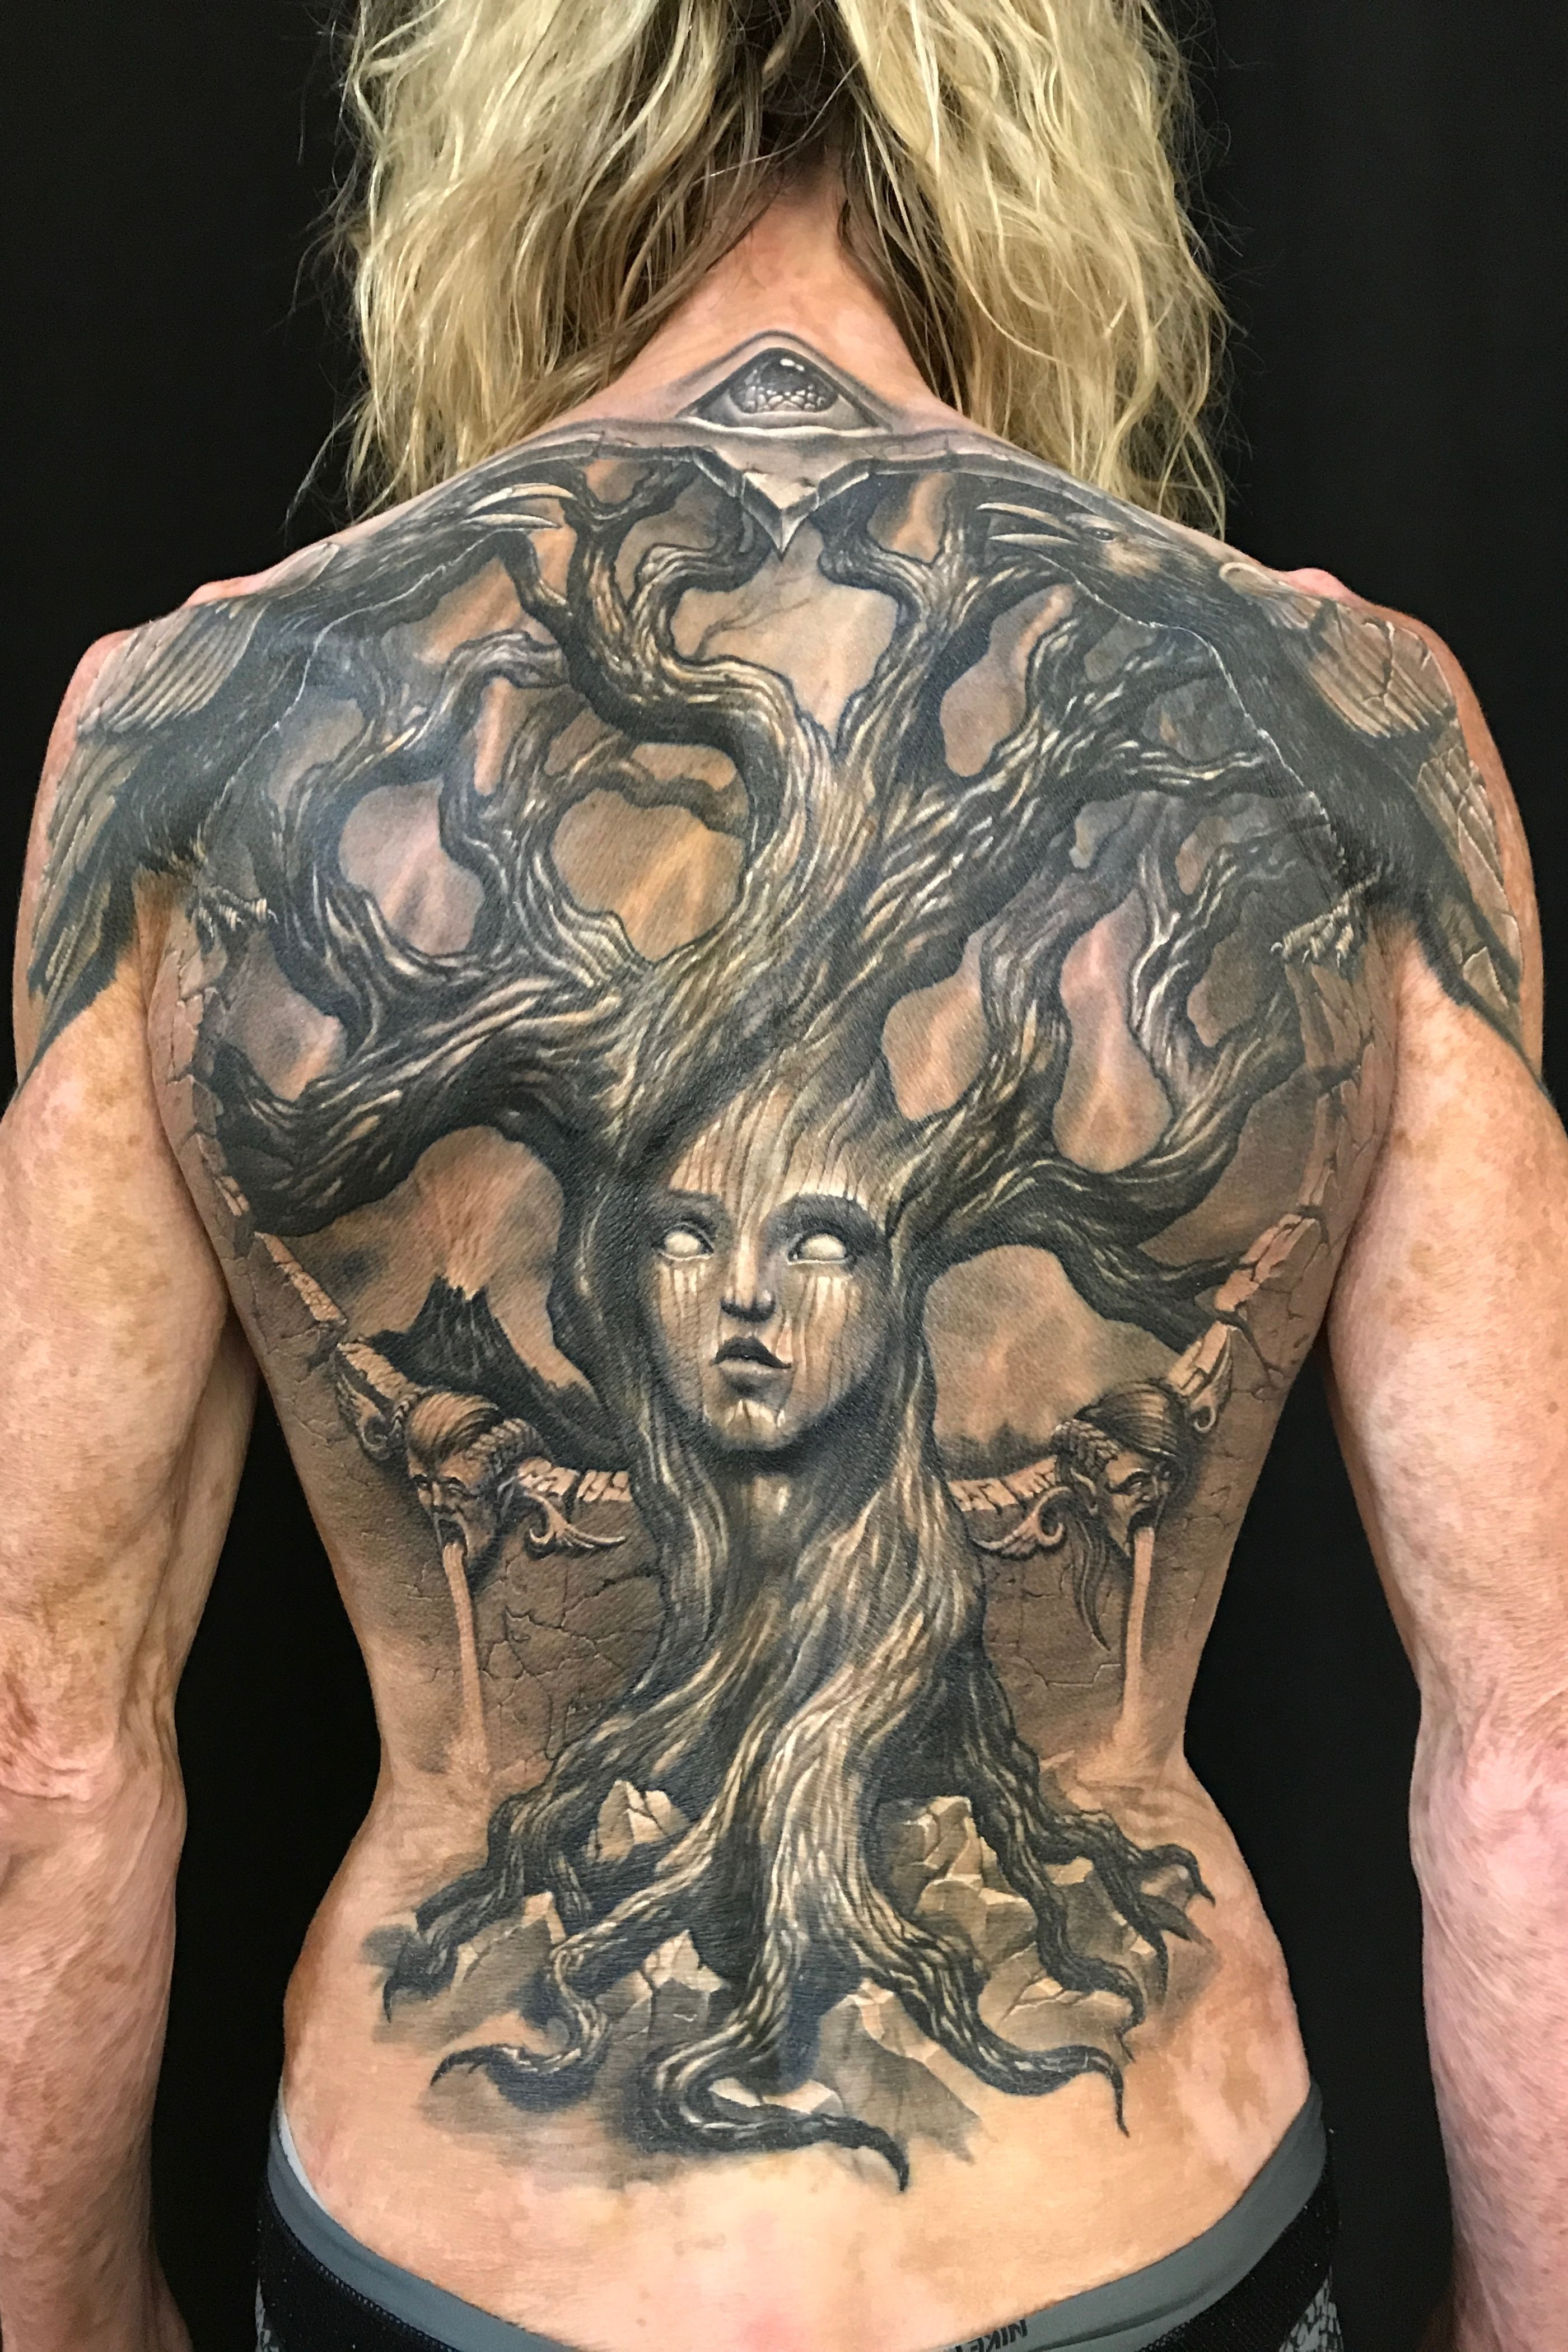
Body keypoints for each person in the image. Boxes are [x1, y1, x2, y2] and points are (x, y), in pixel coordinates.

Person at [1, 1, 1564, 2347]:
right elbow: (1536, 1756)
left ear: (506, 147)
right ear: (1045, 160)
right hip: (1130, 2235)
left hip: (455, 2253)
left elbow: (41, 1754)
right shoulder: (1339, 722)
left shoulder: (202, 723)